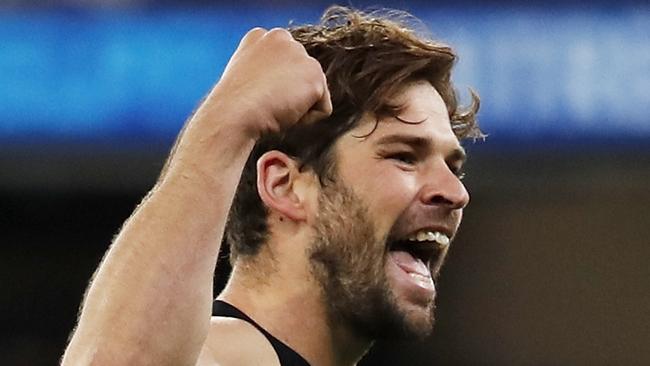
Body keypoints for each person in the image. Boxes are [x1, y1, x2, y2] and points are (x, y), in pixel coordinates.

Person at [62, 5, 481, 366]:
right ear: (284, 186)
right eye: (404, 157)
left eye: (453, 167)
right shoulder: (230, 353)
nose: (455, 192)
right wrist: (226, 122)